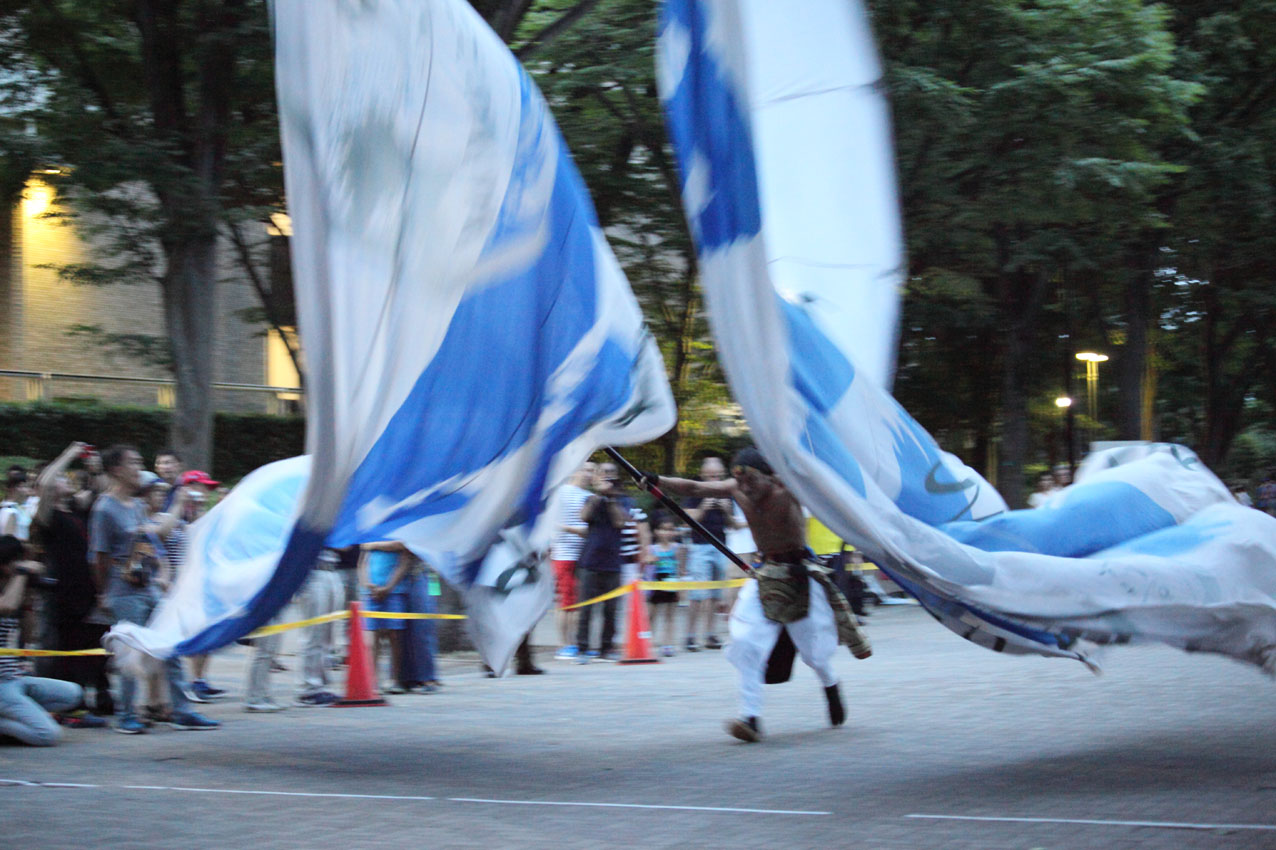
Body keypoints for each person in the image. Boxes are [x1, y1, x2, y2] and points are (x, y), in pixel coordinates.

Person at [650, 447, 871, 743]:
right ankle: (750, 717)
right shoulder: (736, 487)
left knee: (813, 649)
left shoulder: (789, 489)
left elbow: (829, 488)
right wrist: (655, 480)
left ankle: (830, 685)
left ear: (770, 476)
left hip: (800, 575)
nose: (745, 487)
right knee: (745, 642)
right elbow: (694, 487)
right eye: (740, 480)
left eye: (752, 480)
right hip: (765, 574)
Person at [88, 445, 218, 734]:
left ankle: (182, 711)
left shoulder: (135, 505)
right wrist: (103, 592)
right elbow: (98, 556)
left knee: (169, 645)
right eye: (134, 462)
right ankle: (127, 715)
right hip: (123, 592)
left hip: (148, 587)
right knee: (131, 653)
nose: (140, 467)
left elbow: (152, 536)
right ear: (116, 470)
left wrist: (160, 572)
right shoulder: (104, 509)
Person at [31, 442, 112, 723]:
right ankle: (67, 707)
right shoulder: (48, 517)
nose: (66, 481)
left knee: (92, 648)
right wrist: (68, 454)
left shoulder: (78, 510)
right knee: (65, 651)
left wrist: (96, 466)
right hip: (64, 594)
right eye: (63, 479)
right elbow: (45, 484)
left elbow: (103, 490)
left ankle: (91, 699)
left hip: (89, 592)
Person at [0, 535, 83, 746]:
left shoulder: (13, 591)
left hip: (13, 679)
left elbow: (28, 636)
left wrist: (28, 602)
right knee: (49, 735)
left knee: (74, 693)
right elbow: (6, 606)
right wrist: (22, 574)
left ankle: (17, 713)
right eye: (16, 562)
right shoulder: (9, 594)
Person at [175, 468, 225, 702]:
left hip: (206, 580)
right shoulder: (176, 512)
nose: (206, 492)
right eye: (202, 487)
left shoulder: (206, 514)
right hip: (183, 583)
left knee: (207, 630)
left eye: (208, 488)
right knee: (193, 631)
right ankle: (190, 682)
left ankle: (199, 679)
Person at [683, 456, 740, 651]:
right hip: (699, 546)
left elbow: (733, 525)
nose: (714, 480)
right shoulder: (694, 490)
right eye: (710, 476)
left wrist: (726, 512)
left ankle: (710, 635)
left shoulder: (726, 494)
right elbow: (687, 521)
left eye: (717, 476)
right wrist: (703, 506)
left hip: (722, 546)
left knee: (716, 595)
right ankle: (690, 636)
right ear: (702, 475)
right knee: (698, 594)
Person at [572, 462, 627, 663]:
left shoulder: (622, 500)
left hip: (612, 563)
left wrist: (611, 498)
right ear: (597, 477)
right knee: (586, 608)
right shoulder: (590, 498)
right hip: (590, 561)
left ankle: (606, 648)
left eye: (611, 473)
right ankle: (582, 648)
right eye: (603, 473)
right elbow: (583, 516)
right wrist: (599, 497)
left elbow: (620, 522)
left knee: (610, 610)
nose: (607, 476)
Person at [551, 461, 594, 660]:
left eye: (592, 471)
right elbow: (551, 522)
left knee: (578, 600)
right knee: (566, 601)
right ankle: (564, 644)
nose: (590, 474)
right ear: (575, 470)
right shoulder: (561, 493)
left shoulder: (590, 497)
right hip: (564, 554)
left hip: (584, 555)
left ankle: (576, 643)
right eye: (586, 470)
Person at [359, 541, 413, 694]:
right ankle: (372, 680)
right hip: (370, 591)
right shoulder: (370, 533)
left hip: (395, 591)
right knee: (372, 637)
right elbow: (362, 562)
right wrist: (367, 584)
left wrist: (389, 587)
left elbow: (404, 558)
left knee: (394, 635)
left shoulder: (396, 531)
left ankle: (395, 679)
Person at [293, 548, 345, 706]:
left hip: (332, 569)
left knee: (327, 635)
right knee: (313, 635)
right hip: (312, 571)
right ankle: (308, 688)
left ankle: (320, 684)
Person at [646, 515, 685, 657]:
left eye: (670, 530)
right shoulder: (652, 548)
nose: (667, 533)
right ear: (656, 531)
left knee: (670, 615)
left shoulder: (677, 548)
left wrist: (681, 587)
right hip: (656, 582)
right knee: (652, 614)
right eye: (663, 530)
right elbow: (645, 565)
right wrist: (650, 561)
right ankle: (647, 642)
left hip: (672, 581)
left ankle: (668, 644)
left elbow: (681, 569)